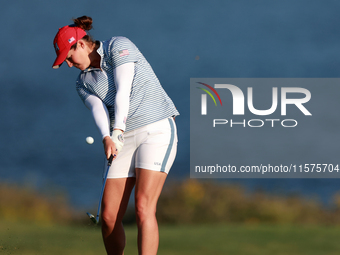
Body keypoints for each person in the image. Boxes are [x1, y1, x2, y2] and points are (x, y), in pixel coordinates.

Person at [52, 16, 179, 255]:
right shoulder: (83, 82)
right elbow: (97, 110)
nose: (69, 65)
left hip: (156, 129)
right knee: (109, 216)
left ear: (80, 44)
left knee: (143, 207)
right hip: (121, 139)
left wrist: (117, 130)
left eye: (68, 57)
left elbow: (123, 91)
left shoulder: (118, 46)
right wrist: (107, 137)